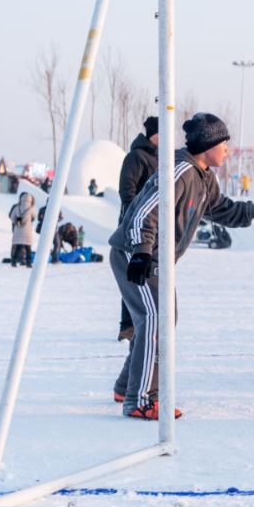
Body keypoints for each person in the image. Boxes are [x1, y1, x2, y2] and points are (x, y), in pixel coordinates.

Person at [109, 112, 254, 418]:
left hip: (156, 257)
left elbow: (224, 210)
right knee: (155, 319)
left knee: (159, 320)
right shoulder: (179, 170)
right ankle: (141, 399)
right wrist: (140, 252)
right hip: (136, 253)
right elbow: (144, 211)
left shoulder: (204, 177)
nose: (228, 150)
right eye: (224, 144)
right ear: (208, 145)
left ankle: (128, 384)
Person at [117, 116, 160, 341]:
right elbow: (127, 190)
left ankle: (145, 322)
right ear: (154, 134)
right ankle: (128, 326)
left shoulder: (159, 158)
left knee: (149, 277)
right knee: (134, 275)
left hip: (153, 228)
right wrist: (137, 217)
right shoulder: (136, 157)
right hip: (136, 227)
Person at [8, 192, 36, 267]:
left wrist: (17, 222)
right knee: (28, 248)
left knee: (18, 246)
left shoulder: (17, 207)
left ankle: (13, 262)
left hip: (18, 230)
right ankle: (28, 263)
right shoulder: (31, 208)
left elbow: (12, 217)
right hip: (27, 231)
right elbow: (34, 217)